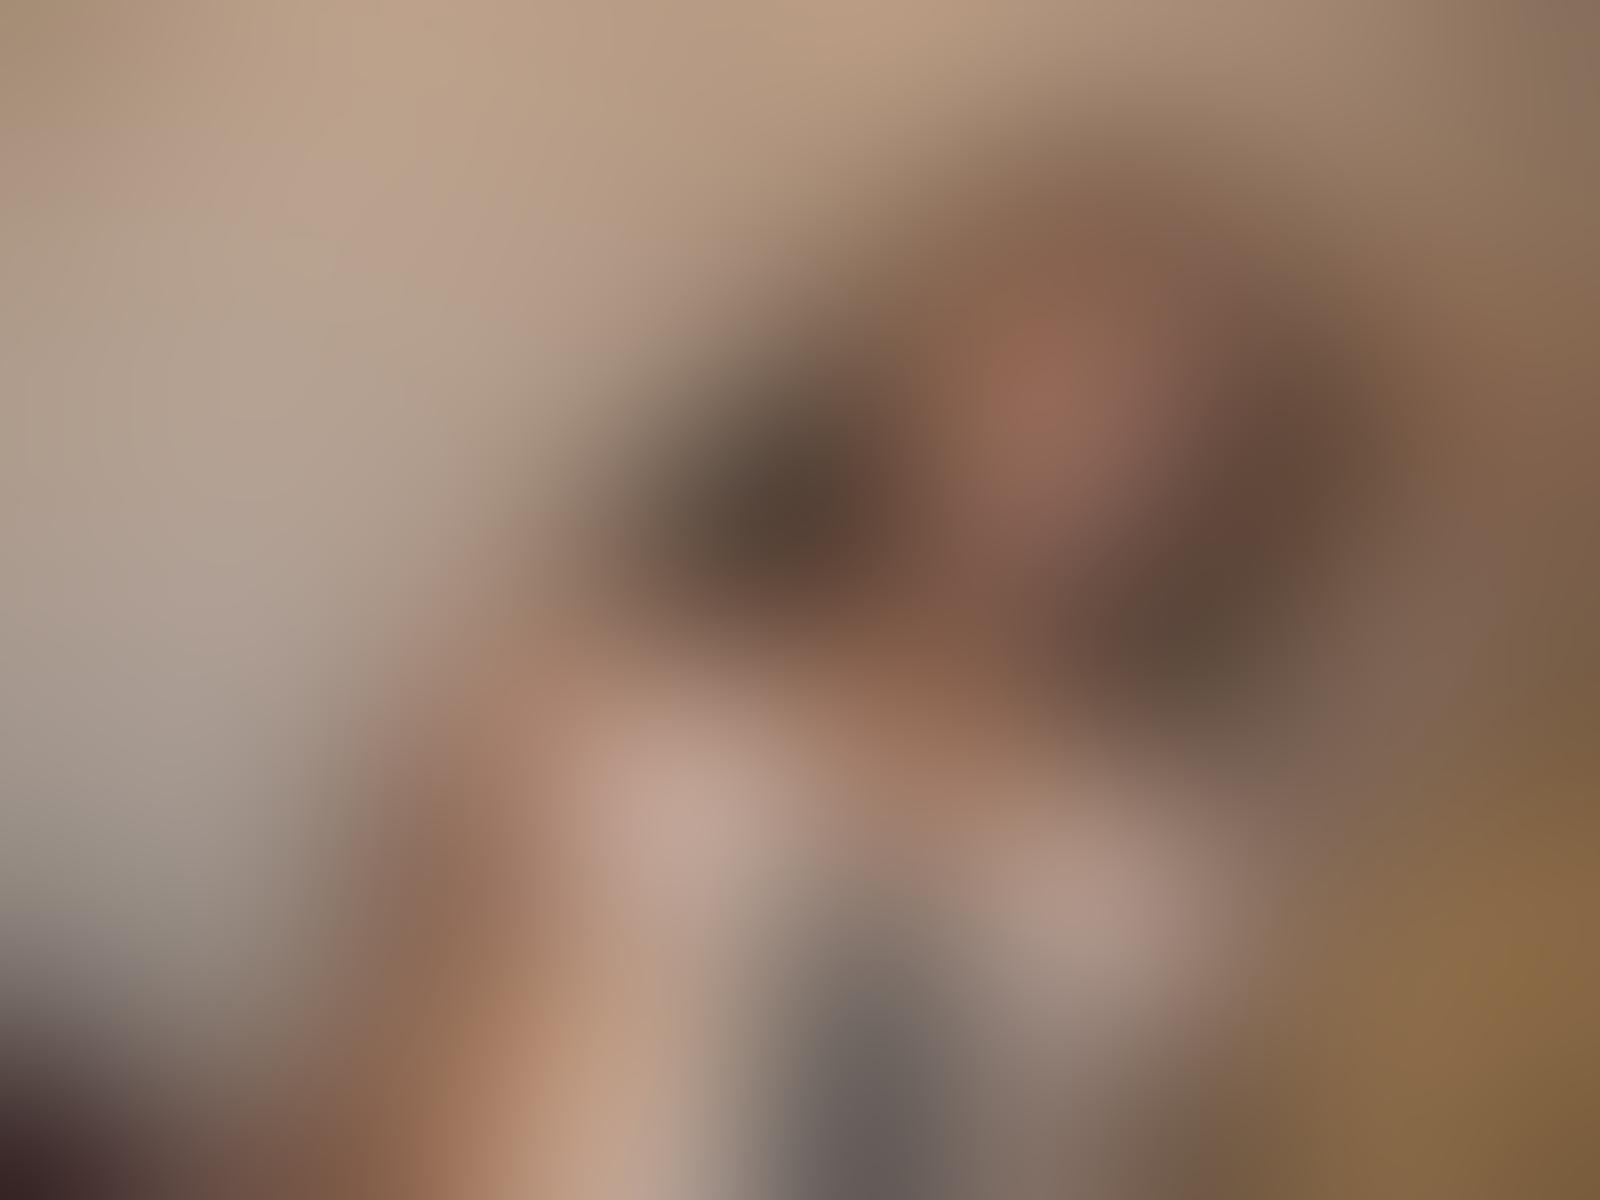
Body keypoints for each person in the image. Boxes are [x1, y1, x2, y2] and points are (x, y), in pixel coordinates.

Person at [318, 157, 1376, 1200]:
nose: (1060, 457)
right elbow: (408, 1063)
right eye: (1037, 373)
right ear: (915, 355)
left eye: (1138, 427)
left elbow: (1119, 1148)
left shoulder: (1159, 863)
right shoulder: (608, 689)